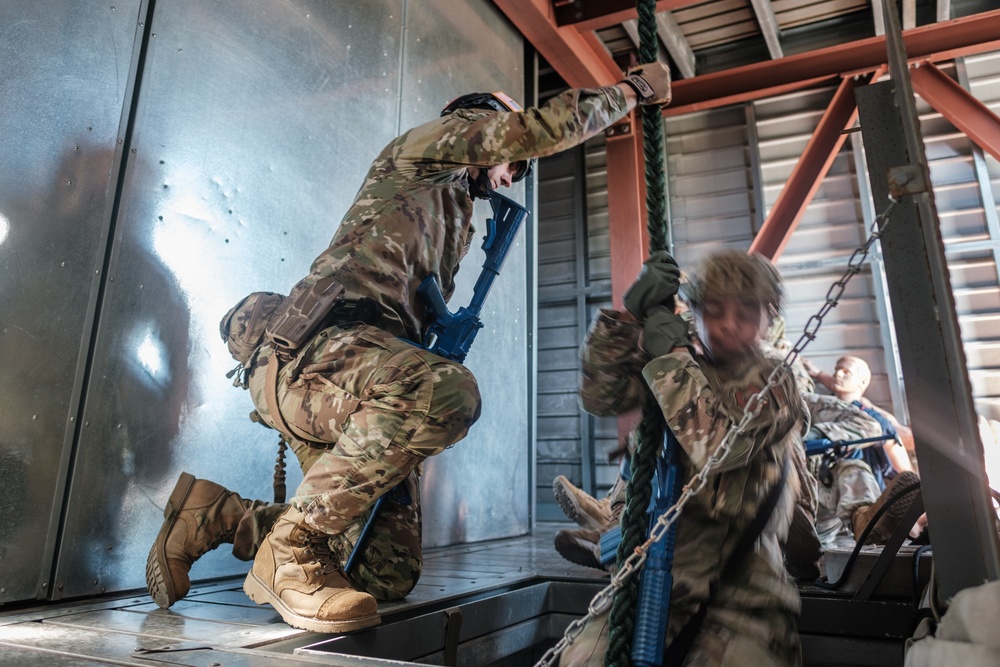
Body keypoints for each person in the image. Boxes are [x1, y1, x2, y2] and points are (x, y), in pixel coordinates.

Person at [145, 63, 674, 633]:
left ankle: (215, 516)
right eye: (511, 164)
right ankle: (289, 551)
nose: (510, 177)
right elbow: (538, 130)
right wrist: (630, 93)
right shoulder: (427, 150)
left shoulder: (453, 216)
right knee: (447, 393)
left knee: (383, 572)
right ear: (483, 120)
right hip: (315, 354)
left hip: (353, 378)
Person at [561, 249, 804, 667]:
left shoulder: (774, 380)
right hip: (649, 584)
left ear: (769, 317)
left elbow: (717, 447)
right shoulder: (679, 360)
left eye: (746, 312)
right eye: (713, 310)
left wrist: (672, 355)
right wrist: (630, 319)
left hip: (741, 596)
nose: (728, 324)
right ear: (694, 311)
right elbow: (599, 397)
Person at [803, 355, 922, 544]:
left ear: (863, 381)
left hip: (857, 492)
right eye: (836, 370)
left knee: (855, 472)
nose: (838, 375)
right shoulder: (818, 407)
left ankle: (887, 528)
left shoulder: (875, 418)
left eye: (846, 372)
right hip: (817, 490)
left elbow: (903, 468)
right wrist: (817, 373)